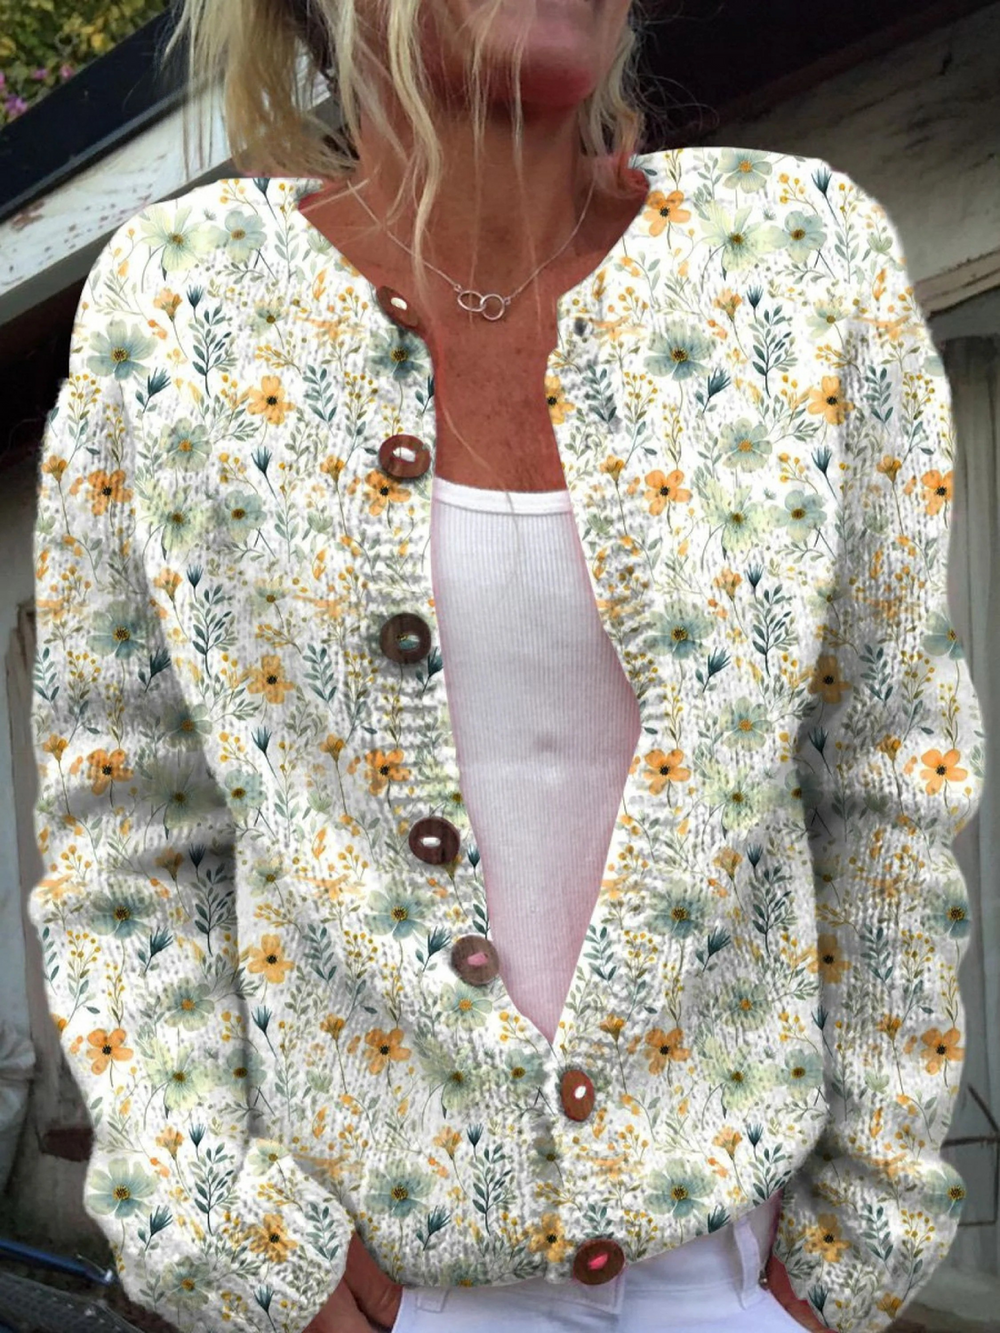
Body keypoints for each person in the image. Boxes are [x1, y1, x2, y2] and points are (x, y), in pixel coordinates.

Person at [27, 2, 983, 1332]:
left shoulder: (799, 259)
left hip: (737, 1279)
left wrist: (857, 1242)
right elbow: (126, 823)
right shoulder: (185, 304)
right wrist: (224, 1238)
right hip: (367, 1287)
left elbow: (885, 772)